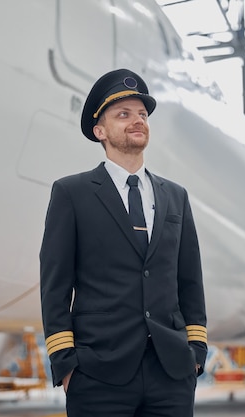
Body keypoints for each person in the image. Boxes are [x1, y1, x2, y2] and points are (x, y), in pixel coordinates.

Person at [39, 68, 208, 417]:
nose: (138, 121)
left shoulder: (175, 197)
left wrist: (196, 352)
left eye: (143, 115)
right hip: (98, 374)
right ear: (100, 131)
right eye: (124, 114)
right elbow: (55, 286)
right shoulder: (72, 193)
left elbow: (190, 282)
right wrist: (66, 364)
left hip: (171, 374)